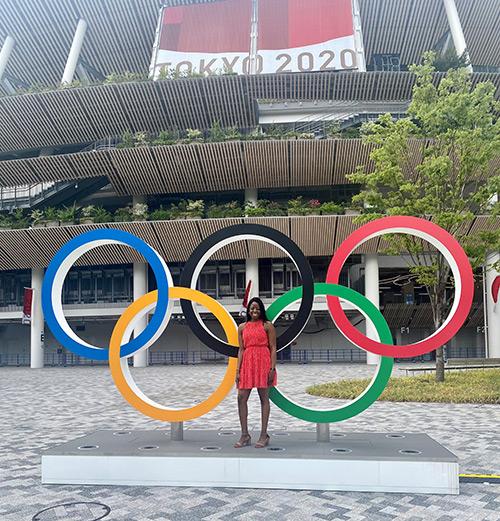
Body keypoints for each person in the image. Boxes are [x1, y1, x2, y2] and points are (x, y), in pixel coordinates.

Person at [234, 297, 277, 449]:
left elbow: (273, 348)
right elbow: (241, 349)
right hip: (247, 364)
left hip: (263, 363)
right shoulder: (242, 327)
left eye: (257, 308)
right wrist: (238, 370)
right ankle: (245, 434)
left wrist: (272, 369)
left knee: (264, 399)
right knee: (241, 398)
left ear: (261, 310)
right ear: (248, 310)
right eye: (252, 308)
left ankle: (264, 435)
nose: (254, 311)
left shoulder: (267, 326)